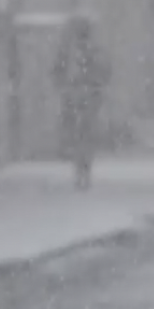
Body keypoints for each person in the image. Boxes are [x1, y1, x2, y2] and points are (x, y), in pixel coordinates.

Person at [53, 15, 111, 190]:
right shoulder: (86, 50)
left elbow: (105, 71)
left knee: (81, 134)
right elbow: (106, 71)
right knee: (83, 134)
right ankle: (82, 168)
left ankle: (82, 168)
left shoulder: (77, 50)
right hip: (82, 96)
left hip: (82, 96)